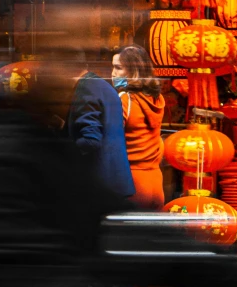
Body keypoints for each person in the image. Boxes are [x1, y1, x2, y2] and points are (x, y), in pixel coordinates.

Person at [56, 48, 136, 209]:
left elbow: (91, 140)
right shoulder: (101, 85)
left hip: (99, 184)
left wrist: (57, 148)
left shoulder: (86, 88)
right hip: (114, 182)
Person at [112, 45, 166, 211]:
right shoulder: (157, 99)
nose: (113, 73)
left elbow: (111, 141)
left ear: (133, 71)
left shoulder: (125, 100)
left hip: (132, 182)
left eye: (118, 68)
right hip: (156, 182)